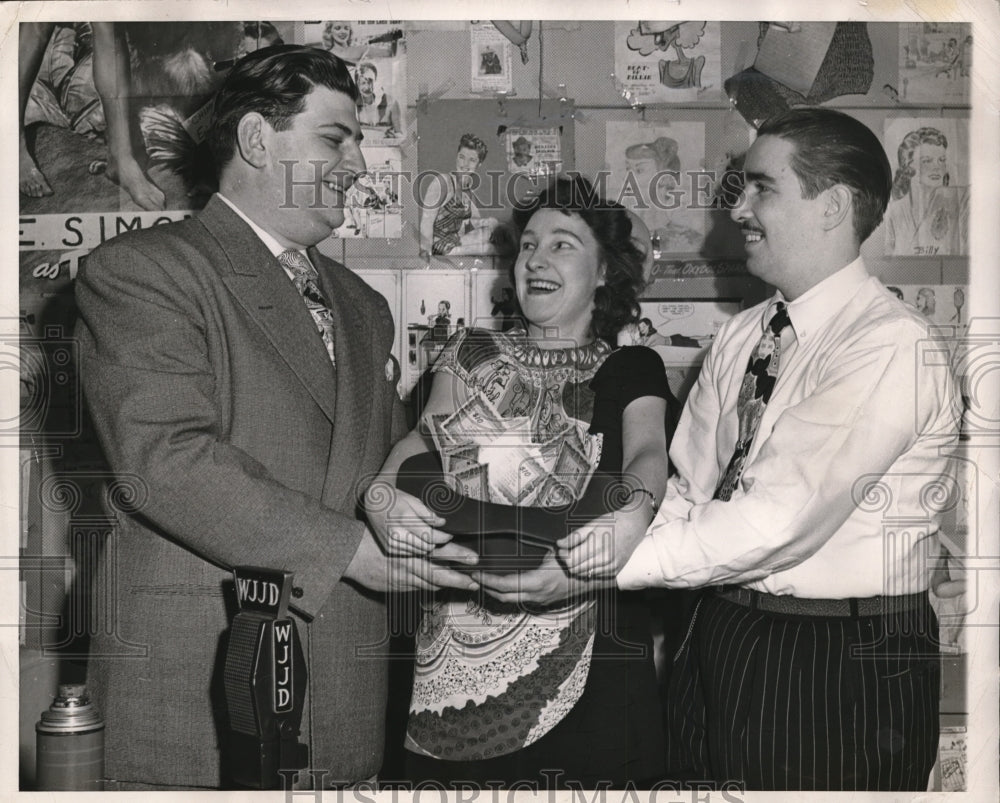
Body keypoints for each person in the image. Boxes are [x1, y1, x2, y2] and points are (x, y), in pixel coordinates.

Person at [75, 45, 474, 790]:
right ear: (258, 140)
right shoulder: (145, 272)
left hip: (345, 703)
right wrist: (355, 552)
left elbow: (384, 469)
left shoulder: (363, 306)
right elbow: (166, 462)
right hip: (194, 699)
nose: (359, 164)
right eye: (336, 137)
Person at [583, 107, 960, 790]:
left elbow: (778, 520)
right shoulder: (743, 335)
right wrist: (601, 541)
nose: (739, 210)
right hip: (720, 629)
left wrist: (601, 564)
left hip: (835, 661)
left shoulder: (888, 344)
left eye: (762, 187)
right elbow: (690, 491)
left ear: (833, 206)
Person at [367, 176, 673, 787]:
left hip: (589, 633)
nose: (535, 258)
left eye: (563, 245)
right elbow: (422, 442)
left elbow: (647, 457)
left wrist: (633, 514)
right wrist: (379, 493)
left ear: (605, 273)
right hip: (457, 632)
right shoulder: (471, 351)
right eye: (529, 244)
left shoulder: (631, 364)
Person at [885, 126, 969, 256]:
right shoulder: (892, 212)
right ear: (908, 165)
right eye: (927, 161)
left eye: (942, 160)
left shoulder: (961, 201)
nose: (937, 167)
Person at [419, 133, 499, 257]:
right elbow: (426, 222)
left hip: (456, 243)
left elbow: (475, 224)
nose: (465, 164)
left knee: (494, 228)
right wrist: (425, 253)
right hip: (439, 248)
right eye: (462, 157)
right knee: (491, 248)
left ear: (479, 164)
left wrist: (490, 224)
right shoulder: (443, 182)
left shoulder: (469, 194)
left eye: (472, 160)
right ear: (456, 156)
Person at [623, 137, 702, 253]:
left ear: (664, 178)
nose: (628, 178)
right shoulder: (622, 234)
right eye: (627, 169)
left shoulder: (690, 240)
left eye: (639, 170)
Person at [354, 61, 401, 136]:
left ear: (376, 80)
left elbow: (399, 135)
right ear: (357, 84)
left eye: (370, 81)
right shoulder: (351, 104)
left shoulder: (391, 103)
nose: (367, 87)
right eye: (363, 83)